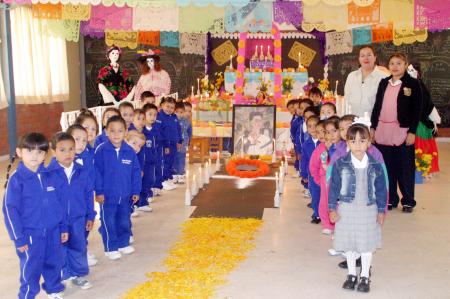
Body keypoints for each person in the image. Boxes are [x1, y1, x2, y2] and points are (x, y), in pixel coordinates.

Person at [3, 133, 68, 299]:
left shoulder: (50, 176)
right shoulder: (17, 180)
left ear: (45, 155)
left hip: (53, 231)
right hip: (30, 235)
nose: (34, 156)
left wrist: (63, 227)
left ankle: (53, 288)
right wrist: (19, 237)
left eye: (39, 152)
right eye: (29, 151)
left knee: (54, 262)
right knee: (31, 268)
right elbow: (10, 211)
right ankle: (27, 295)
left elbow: (59, 205)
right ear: (19, 152)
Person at [328, 124, 387, 293]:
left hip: (368, 210)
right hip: (346, 209)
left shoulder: (376, 165)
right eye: (353, 141)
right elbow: (333, 188)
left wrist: (381, 210)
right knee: (350, 245)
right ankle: (352, 274)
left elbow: (382, 189)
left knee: (366, 244)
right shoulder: (340, 164)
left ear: (369, 142)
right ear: (347, 143)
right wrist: (332, 209)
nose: (358, 145)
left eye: (362, 141)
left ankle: (365, 277)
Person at [371, 53, 423, 213]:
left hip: (402, 130)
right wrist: (373, 127)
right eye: (392, 63)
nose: (395, 66)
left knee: (404, 168)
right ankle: (390, 198)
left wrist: (412, 131)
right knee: (386, 167)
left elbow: (417, 109)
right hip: (382, 130)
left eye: (399, 63)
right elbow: (377, 106)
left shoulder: (413, 84)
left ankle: (408, 200)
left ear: (406, 64)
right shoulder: (383, 83)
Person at [47, 132, 95, 290]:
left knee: (79, 247)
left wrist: (90, 215)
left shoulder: (82, 171)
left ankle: (77, 274)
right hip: (57, 221)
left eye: (71, 149)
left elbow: (88, 195)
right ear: (53, 151)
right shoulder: (48, 173)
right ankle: (63, 274)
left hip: (78, 219)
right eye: (62, 150)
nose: (68, 154)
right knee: (59, 249)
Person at [94, 116, 142, 260]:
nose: (116, 134)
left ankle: (123, 243)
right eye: (112, 131)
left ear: (125, 132)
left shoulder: (129, 151)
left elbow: (135, 172)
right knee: (109, 222)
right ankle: (111, 247)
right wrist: (99, 192)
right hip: (107, 197)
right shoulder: (101, 151)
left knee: (124, 221)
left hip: (125, 195)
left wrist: (135, 191)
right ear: (106, 132)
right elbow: (97, 173)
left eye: (120, 131)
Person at [67, 124, 98, 267]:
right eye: (77, 139)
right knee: (72, 231)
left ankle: (82, 249)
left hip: (86, 197)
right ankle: (75, 255)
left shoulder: (88, 155)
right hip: (70, 203)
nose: (81, 144)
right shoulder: (65, 160)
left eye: (84, 140)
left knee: (85, 226)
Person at [408, 62, 440, 174]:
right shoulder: (410, 85)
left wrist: (432, 122)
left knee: (420, 147)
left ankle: (421, 169)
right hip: (414, 123)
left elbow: (427, 106)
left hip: (420, 124)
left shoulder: (420, 87)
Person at [310, 116, 340, 235]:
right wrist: (318, 179)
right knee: (325, 202)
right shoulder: (321, 148)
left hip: (338, 181)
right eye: (327, 132)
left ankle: (339, 224)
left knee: (338, 203)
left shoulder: (342, 147)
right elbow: (313, 165)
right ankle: (327, 224)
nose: (330, 135)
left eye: (334, 131)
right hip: (324, 180)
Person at [344, 46, 389, 118]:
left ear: (375, 57)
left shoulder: (384, 77)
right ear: (359, 59)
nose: (366, 58)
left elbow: (388, 103)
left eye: (369, 55)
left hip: (374, 122)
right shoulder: (351, 76)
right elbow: (347, 98)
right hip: (353, 121)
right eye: (362, 56)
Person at [157, 97, 182, 190]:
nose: (169, 109)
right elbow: (160, 132)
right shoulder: (159, 116)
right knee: (165, 162)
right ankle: (163, 181)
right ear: (162, 105)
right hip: (164, 144)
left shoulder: (174, 117)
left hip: (173, 143)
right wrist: (165, 145)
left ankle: (169, 178)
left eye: (172, 107)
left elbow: (178, 129)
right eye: (167, 106)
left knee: (172, 161)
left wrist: (180, 140)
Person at [300, 115, 321, 224]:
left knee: (324, 195)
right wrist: (303, 174)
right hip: (312, 175)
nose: (312, 128)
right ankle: (317, 214)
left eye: (315, 126)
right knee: (315, 194)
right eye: (309, 126)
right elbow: (303, 160)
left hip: (323, 174)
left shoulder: (323, 143)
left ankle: (323, 212)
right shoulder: (306, 144)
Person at [140, 103, 163, 202]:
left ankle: (147, 196)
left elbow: (157, 143)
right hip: (144, 161)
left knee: (150, 179)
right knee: (143, 181)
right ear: (144, 115)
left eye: (155, 115)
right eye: (150, 114)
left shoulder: (155, 129)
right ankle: (141, 202)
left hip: (153, 160)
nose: (153, 117)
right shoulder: (142, 131)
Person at [173, 102, 192, 184]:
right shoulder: (172, 120)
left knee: (181, 159)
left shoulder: (187, 121)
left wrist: (189, 141)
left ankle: (180, 174)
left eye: (181, 112)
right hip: (173, 144)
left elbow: (189, 132)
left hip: (183, 144)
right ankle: (174, 174)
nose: (179, 114)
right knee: (174, 159)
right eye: (177, 112)